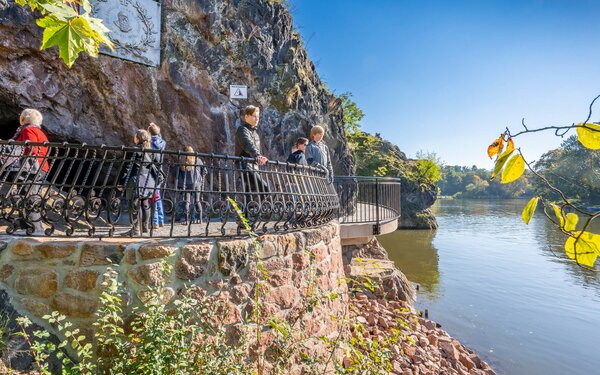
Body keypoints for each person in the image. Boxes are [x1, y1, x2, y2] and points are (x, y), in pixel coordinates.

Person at [3, 109, 50, 235]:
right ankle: (26, 225)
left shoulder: (28, 130)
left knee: (29, 196)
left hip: (31, 168)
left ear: (23, 119)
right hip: (38, 168)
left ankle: (35, 228)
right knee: (29, 195)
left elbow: (31, 148)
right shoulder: (39, 131)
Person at [120, 129, 162, 235]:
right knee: (145, 204)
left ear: (137, 138)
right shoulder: (151, 152)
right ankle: (145, 228)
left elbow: (127, 167)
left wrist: (122, 182)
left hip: (136, 180)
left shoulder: (133, 150)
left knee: (134, 204)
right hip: (148, 181)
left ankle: (135, 229)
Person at [235, 105, 269, 196]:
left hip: (254, 167)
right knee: (264, 188)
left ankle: (248, 209)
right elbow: (247, 144)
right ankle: (262, 210)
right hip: (245, 166)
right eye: (254, 116)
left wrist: (259, 157)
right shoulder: (242, 130)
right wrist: (258, 155)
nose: (257, 119)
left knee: (250, 193)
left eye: (258, 117)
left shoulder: (256, 134)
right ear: (246, 116)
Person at [175, 146, 206, 225]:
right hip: (197, 184)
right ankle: (200, 219)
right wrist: (200, 178)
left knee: (187, 201)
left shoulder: (182, 161)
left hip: (186, 184)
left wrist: (180, 184)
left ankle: (186, 220)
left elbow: (176, 173)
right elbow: (204, 171)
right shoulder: (198, 160)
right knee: (197, 201)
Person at [148, 122, 166, 229]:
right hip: (159, 171)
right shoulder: (162, 143)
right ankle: (161, 220)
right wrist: (155, 128)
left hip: (151, 171)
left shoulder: (149, 143)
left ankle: (154, 222)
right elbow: (158, 137)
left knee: (152, 197)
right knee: (157, 197)